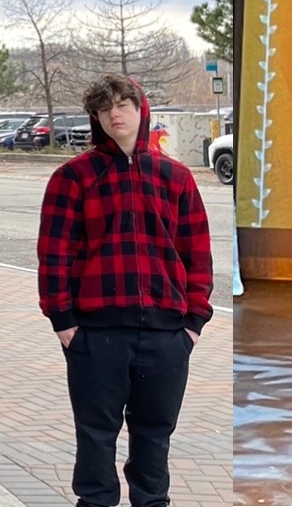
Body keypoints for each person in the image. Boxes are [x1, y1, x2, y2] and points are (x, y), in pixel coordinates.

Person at [36, 74, 212, 507]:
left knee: (155, 437)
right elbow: (54, 254)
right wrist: (64, 322)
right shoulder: (73, 177)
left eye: (123, 104)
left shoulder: (176, 178)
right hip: (95, 335)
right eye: (104, 108)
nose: (115, 113)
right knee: (96, 436)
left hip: (166, 335)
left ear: (140, 109)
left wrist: (192, 324)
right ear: (96, 118)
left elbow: (199, 254)